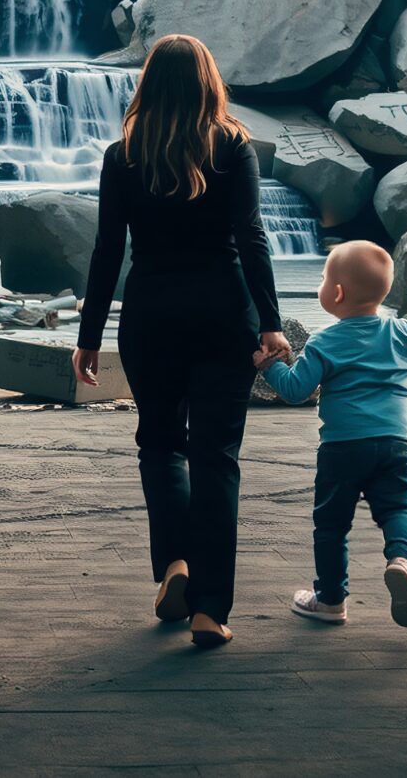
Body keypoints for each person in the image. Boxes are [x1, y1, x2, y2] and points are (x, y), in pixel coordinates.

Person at [75, 33, 290, 649]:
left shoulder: (123, 155)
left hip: (151, 317)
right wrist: (271, 321)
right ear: (207, 84)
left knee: (160, 443)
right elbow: (251, 237)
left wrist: (88, 336)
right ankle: (209, 611)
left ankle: (174, 564)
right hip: (224, 314)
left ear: (148, 86)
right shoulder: (233, 145)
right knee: (216, 457)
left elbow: (107, 251)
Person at [256, 239, 407, 628]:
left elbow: (297, 390)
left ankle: (330, 600)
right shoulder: (401, 332)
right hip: (396, 444)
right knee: (399, 508)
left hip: (342, 448)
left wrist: (269, 368)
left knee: (331, 525)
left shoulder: (324, 341)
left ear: (336, 293)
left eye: (322, 277)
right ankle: (400, 559)